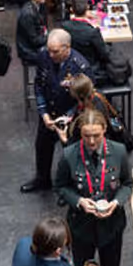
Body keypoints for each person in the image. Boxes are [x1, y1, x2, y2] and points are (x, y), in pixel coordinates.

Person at [54, 108, 133, 266]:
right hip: (82, 226)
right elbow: (60, 186)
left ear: (104, 131)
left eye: (96, 136)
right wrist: (79, 200)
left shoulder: (118, 151)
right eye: (86, 135)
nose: (90, 141)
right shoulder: (70, 154)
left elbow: (128, 183)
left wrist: (116, 203)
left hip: (111, 225)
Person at [23, 29, 93, 193]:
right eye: (49, 50)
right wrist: (44, 113)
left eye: (55, 51)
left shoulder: (80, 66)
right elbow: (39, 84)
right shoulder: (44, 56)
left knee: (72, 154)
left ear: (67, 48)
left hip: (71, 117)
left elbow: (86, 97)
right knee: (42, 147)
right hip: (49, 113)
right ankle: (42, 179)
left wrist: (68, 117)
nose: (51, 55)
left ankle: (73, 187)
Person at [62, 0, 109, 70]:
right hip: (91, 66)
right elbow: (104, 53)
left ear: (71, 9)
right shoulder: (93, 32)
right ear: (87, 7)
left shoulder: (64, 26)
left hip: (71, 63)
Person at [16, 0, 50, 65]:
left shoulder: (40, 6)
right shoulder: (28, 14)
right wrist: (50, 38)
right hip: (28, 50)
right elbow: (34, 40)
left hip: (38, 42)